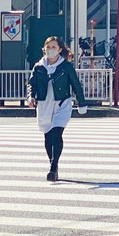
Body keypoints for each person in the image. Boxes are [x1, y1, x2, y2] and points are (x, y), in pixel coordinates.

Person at [27, 37, 88, 182]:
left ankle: (53, 168)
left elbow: (75, 84)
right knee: (48, 136)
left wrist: (82, 102)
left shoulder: (65, 66)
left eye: (53, 47)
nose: (50, 50)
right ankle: (52, 163)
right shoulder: (39, 66)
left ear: (60, 49)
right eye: (48, 47)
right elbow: (31, 83)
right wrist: (31, 96)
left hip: (62, 103)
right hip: (44, 104)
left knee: (56, 132)